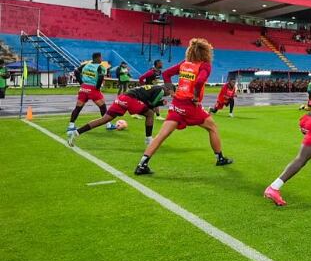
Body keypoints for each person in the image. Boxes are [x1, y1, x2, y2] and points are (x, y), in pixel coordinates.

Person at [134, 38, 233, 175]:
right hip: (190, 105)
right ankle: (219, 158)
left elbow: (166, 73)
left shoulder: (184, 64)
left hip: (176, 105)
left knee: (161, 135)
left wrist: (170, 91)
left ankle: (142, 165)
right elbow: (199, 81)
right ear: (205, 53)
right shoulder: (205, 66)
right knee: (212, 127)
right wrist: (196, 97)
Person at [68, 83, 175, 147]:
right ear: (169, 89)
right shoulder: (161, 91)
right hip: (130, 99)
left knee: (104, 119)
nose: (171, 95)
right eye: (172, 93)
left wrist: (155, 103)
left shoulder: (155, 87)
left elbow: (147, 101)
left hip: (122, 98)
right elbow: (150, 105)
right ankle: (148, 139)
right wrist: (161, 103)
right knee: (150, 114)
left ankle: (76, 132)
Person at [67, 53, 109, 132]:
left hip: (83, 88)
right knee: (102, 106)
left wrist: (81, 82)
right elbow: (100, 77)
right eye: (101, 58)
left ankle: (71, 125)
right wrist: (98, 87)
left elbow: (76, 71)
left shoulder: (86, 65)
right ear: (98, 58)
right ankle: (108, 124)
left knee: (78, 107)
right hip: (93, 88)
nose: (101, 59)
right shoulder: (100, 67)